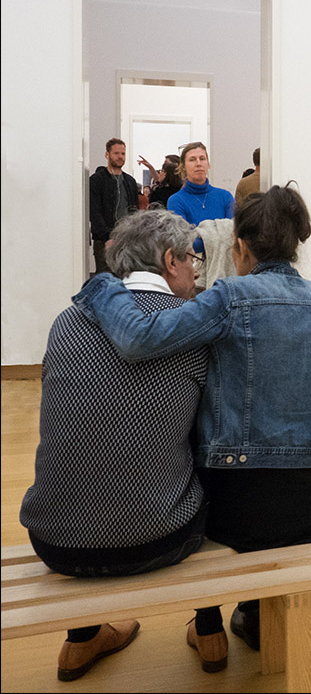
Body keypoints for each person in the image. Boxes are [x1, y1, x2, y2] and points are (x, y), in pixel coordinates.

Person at [73, 184, 311, 671]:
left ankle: (212, 622)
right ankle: (251, 614)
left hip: (241, 510)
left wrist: (102, 284)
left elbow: (141, 338)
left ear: (239, 247)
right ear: (297, 244)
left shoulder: (229, 297)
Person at [20, 209, 208, 681]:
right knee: (213, 460)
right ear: (170, 261)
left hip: (55, 541)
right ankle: (209, 628)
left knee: (87, 445)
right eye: (192, 259)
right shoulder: (188, 326)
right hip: (158, 538)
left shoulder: (67, 320)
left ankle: (80, 642)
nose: (195, 270)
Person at [167, 141, 235, 253]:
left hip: (225, 265)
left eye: (202, 158)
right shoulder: (176, 201)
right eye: (192, 159)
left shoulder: (225, 197)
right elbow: (185, 243)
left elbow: (233, 237)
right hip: (193, 266)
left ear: (208, 164)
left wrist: (203, 237)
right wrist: (220, 238)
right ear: (183, 167)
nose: (198, 163)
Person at [88, 138, 140, 275]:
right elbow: (94, 211)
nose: (120, 157)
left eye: (123, 154)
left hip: (126, 241)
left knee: (127, 280)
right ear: (107, 155)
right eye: (116, 153)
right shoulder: (96, 180)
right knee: (105, 282)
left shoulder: (130, 181)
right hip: (104, 241)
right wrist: (107, 236)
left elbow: (134, 211)